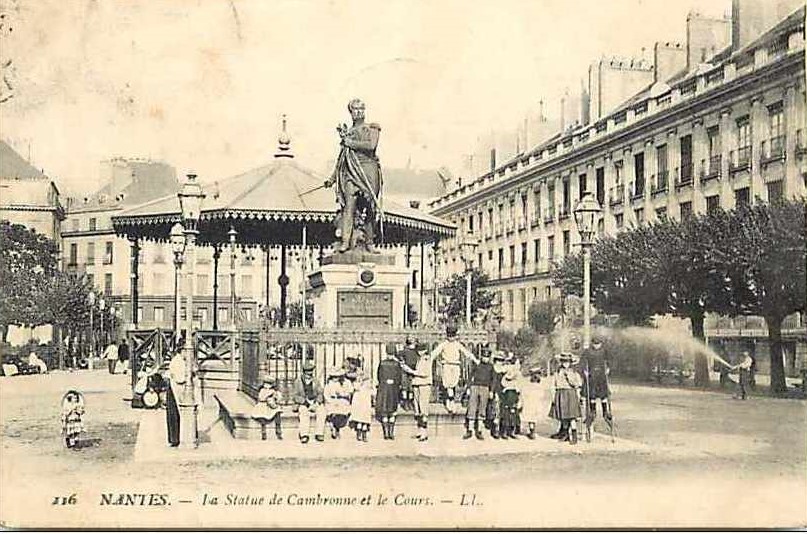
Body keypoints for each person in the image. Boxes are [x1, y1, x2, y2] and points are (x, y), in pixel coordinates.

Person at [324, 98, 383, 253]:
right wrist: (332, 178)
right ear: (351, 112)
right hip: (351, 172)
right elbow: (342, 158)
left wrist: (350, 143)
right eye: (355, 109)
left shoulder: (372, 128)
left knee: (370, 207)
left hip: (368, 170)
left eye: (361, 109)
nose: (359, 112)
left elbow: (371, 145)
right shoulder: (348, 133)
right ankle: (345, 241)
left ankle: (370, 242)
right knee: (348, 207)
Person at [430, 324, 475, 413]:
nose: (451, 338)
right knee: (448, 384)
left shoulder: (457, 344)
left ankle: (450, 400)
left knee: (454, 383)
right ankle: (450, 402)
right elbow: (435, 352)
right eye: (450, 336)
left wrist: (475, 359)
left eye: (453, 336)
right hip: (447, 365)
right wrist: (428, 359)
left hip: (455, 365)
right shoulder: (444, 344)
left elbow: (466, 352)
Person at [401, 342, 434, 442]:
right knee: (418, 409)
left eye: (421, 350)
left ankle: (424, 433)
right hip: (417, 384)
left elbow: (425, 373)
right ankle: (420, 431)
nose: (419, 352)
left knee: (423, 409)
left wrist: (411, 371)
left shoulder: (427, 359)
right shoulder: (419, 359)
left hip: (424, 385)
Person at [549, 353, 584, 444]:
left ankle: (574, 436)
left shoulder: (574, 373)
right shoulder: (557, 372)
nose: (565, 364)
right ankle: (565, 434)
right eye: (564, 362)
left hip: (570, 394)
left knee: (572, 417)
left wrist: (569, 377)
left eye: (567, 362)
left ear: (570, 363)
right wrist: (553, 396)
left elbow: (577, 384)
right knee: (563, 417)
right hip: (561, 394)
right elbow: (553, 384)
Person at [580, 338, 612, 430]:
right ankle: (592, 412)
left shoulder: (604, 351)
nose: (596, 346)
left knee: (603, 395)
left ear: (601, 344)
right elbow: (582, 361)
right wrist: (584, 370)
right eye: (595, 344)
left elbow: (609, 360)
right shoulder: (588, 351)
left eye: (598, 344)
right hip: (592, 376)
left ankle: (605, 412)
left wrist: (608, 368)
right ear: (592, 343)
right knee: (592, 395)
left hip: (601, 376)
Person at [463, 347, 495, 440]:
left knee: (482, 409)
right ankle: (470, 430)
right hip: (475, 387)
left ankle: (479, 430)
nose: (485, 358)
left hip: (485, 388)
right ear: (481, 357)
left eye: (487, 357)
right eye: (484, 356)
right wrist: (468, 387)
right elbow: (470, 376)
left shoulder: (491, 367)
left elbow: (493, 380)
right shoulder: (477, 364)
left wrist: (491, 391)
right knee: (472, 407)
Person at [292, 361, 326, 444]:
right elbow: (295, 396)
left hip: (314, 402)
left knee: (322, 411)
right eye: (307, 374)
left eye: (310, 374)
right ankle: (304, 435)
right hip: (303, 402)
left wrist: (317, 402)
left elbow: (320, 393)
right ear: (303, 373)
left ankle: (319, 433)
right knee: (303, 412)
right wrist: (306, 403)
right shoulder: (298, 382)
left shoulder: (315, 381)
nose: (309, 376)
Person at [376, 343, 403, 440]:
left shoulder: (382, 363)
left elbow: (379, 376)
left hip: (384, 389)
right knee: (392, 411)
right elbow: (399, 378)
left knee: (384, 410)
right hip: (393, 389)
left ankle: (386, 433)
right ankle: (391, 433)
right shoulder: (397, 364)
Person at [324, 367, 353, 439]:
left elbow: (350, 391)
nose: (335, 379)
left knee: (342, 409)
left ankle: (338, 427)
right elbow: (326, 394)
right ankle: (333, 426)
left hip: (343, 400)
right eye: (334, 377)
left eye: (337, 377)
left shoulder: (346, 382)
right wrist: (331, 400)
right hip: (332, 401)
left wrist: (342, 394)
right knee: (332, 410)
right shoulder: (329, 383)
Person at [520, 367, 548, 440]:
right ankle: (532, 431)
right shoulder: (540, 386)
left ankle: (532, 431)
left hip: (530, 403)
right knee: (533, 418)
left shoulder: (527, 386)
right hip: (535, 403)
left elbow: (524, 394)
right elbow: (542, 395)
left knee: (531, 418)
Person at [165, 350, 186, 447]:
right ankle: (174, 439)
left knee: (175, 415)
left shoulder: (180, 360)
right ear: (182, 351)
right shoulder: (177, 361)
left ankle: (175, 438)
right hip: (174, 389)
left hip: (175, 389)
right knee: (174, 415)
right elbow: (179, 379)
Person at [486, 352, 508, 439]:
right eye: (498, 360)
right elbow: (492, 381)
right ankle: (495, 429)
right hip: (495, 391)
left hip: (504, 391)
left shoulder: (504, 370)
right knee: (496, 410)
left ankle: (504, 430)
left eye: (501, 360)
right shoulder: (493, 369)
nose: (500, 362)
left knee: (504, 410)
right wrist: (492, 391)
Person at [397, 337, 419, 411]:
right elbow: (398, 356)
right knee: (405, 388)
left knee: (411, 388)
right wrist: (402, 362)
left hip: (413, 371)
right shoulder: (404, 351)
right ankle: (405, 402)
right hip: (405, 371)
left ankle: (410, 401)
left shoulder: (416, 352)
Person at [350, 374, 374, 442]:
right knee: (361, 421)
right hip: (360, 407)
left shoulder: (366, 390)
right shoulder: (359, 389)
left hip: (365, 408)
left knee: (363, 422)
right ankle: (360, 434)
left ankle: (362, 435)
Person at [499, 368, 521, 439]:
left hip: (513, 404)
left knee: (514, 418)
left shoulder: (516, 389)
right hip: (506, 404)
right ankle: (504, 432)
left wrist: (517, 403)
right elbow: (502, 398)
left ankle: (512, 432)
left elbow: (518, 397)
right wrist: (505, 404)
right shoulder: (505, 389)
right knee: (506, 418)